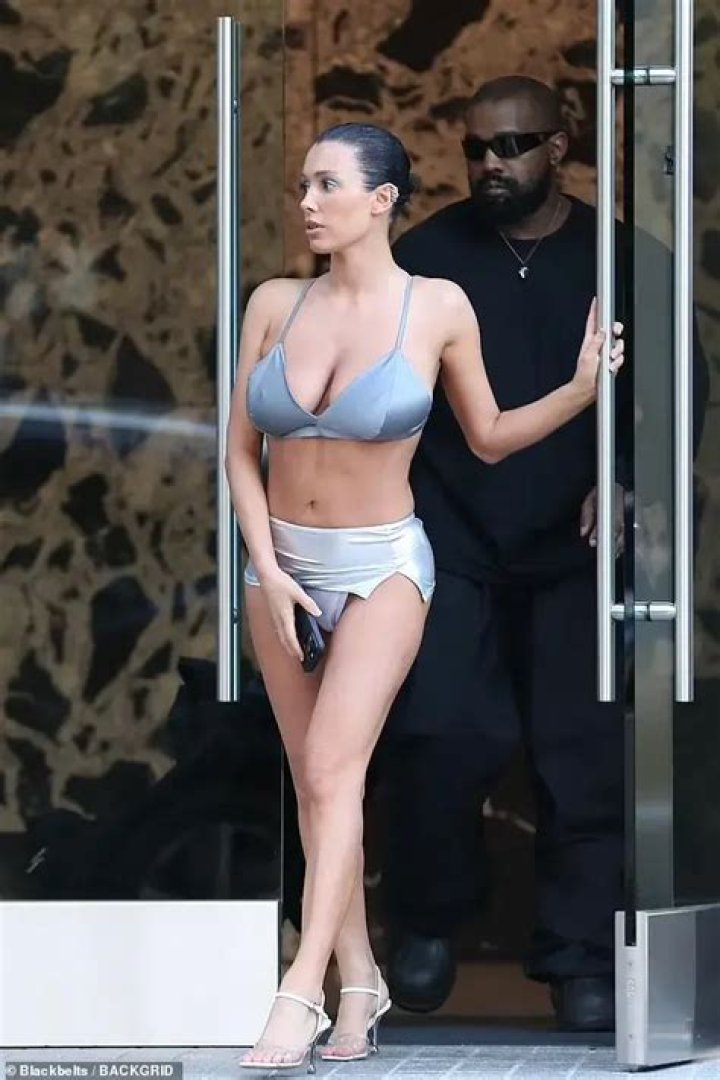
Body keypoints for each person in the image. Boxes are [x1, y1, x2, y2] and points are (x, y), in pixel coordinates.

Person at [225, 119, 623, 1071]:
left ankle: (301, 991)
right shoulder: (274, 302)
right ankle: (362, 979)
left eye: (327, 185)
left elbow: (487, 435)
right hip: (279, 566)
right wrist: (268, 569)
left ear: (382, 200)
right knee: (317, 786)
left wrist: (580, 390)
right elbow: (240, 452)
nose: (308, 202)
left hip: (383, 567)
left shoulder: (437, 305)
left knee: (335, 772)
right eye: (304, 185)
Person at [380, 76, 709, 1031]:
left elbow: (681, 386)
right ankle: (427, 922)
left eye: (512, 146)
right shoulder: (427, 257)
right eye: (475, 149)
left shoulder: (622, 258)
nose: (490, 164)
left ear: (559, 148)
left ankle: (578, 959)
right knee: (441, 734)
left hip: (576, 547)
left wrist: (634, 480)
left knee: (582, 756)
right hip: (450, 543)